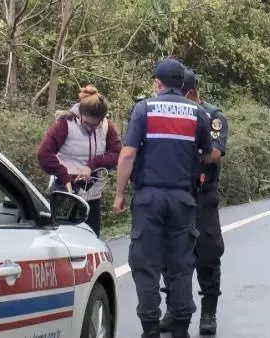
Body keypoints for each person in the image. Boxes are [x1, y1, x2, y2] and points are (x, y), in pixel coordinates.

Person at [113, 58, 214, 338]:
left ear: (157, 83)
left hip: (149, 199)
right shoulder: (198, 113)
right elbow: (207, 154)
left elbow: (128, 154)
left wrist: (119, 195)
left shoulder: (143, 109)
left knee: (146, 264)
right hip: (183, 199)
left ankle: (150, 328)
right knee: (181, 264)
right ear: (183, 85)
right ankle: (181, 326)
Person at [159, 69, 228, 335]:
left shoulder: (213, 116)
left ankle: (208, 312)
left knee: (208, 253)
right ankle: (173, 308)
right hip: (176, 193)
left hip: (203, 195)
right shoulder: (169, 113)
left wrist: (186, 152)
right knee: (171, 254)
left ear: (189, 93)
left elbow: (215, 153)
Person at [37, 85, 121, 237]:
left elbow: (116, 153)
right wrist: (63, 174)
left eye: (97, 124)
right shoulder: (65, 124)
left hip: (92, 192)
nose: (93, 128)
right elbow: (44, 154)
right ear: (80, 114)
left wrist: (91, 166)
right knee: (66, 240)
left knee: (92, 238)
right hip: (66, 191)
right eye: (88, 124)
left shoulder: (107, 126)